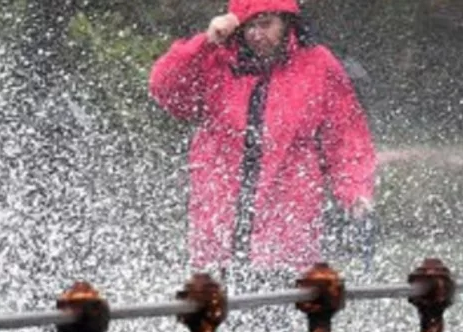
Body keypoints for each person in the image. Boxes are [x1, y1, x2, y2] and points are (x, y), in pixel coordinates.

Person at [148, 0, 378, 275]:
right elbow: (164, 89)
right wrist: (204, 43)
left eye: (265, 24)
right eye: (249, 26)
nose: (256, 34)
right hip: (216, 239)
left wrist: (355, 195)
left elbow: (345, 137)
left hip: (287, 241)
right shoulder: (215, 59)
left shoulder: (318, 64)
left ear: (286, 22)